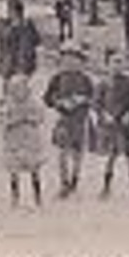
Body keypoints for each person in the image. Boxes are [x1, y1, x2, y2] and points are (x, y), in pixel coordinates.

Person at [42, 41, 95, 198]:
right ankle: (63, 182)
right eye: (66, 59)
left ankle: (74, 179)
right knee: (62, 152)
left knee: (78, 153)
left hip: (80, 120)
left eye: (74, 59)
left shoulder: (86, 80)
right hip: (64, 119)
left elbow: (94, 98)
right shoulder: (57, 79)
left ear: (80, 62)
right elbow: (47, 98)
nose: (70, 63)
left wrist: (82, 100)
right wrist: (58, 102)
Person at [93, 48, 129, 198]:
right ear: (107, 64)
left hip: (127, 124)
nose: (118, 65)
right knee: (111, 156)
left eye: (121, 62)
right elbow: (96, 103)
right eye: (114, 62)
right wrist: (104, 115)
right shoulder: (102, 84)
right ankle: (106, 188)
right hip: (110, 125)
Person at [1, 75, 47, 208]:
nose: (18, 92)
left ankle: (37, 197)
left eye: (21, 88)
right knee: (14, 171)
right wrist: (14, 120)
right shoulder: (7, 104)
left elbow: (40, 117)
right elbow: (3, 120)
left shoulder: (33, 103)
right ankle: (15, 197)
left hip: (30, 141)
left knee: (34, 169)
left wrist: (29, 118)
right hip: (14, 142)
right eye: (14, 89)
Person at [0, 0, 42, 81]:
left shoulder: (26, 27)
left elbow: (36, 41)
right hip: (13, 67)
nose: (10, 14)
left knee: (19, 87)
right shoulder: (7, 26)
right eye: (9, 11)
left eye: (12, 12)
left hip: (21, 66)